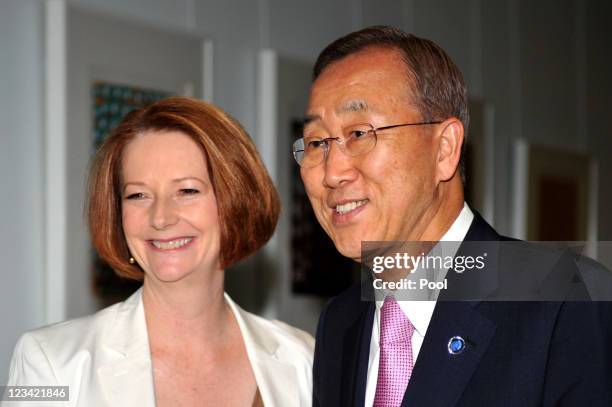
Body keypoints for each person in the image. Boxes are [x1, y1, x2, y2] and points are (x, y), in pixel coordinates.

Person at [294, 26, 612, 406]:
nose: (331, 172)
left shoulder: (566, 301)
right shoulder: (342, 323)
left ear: (444, 149)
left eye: (360, 134)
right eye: (316, 143)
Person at [6, 97, 314, 406]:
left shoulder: (304, 359)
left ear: (236, 201)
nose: (161, 217)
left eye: (187, 191)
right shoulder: (49, 361)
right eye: (138, 195)